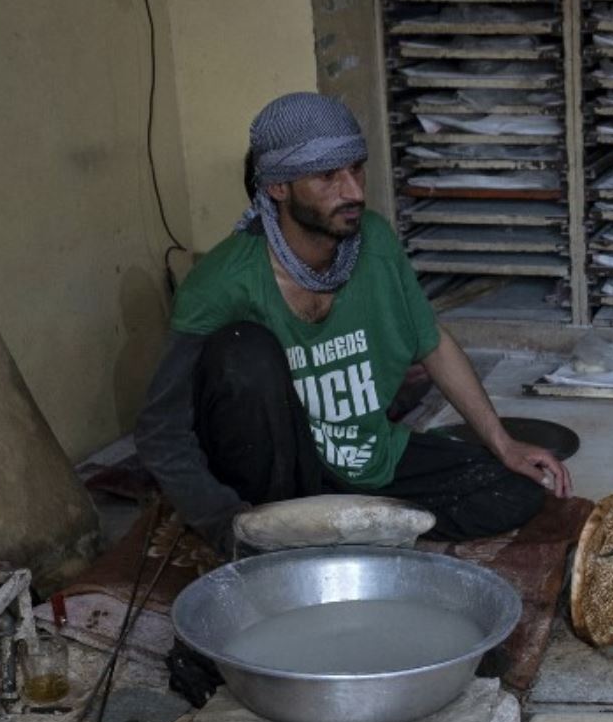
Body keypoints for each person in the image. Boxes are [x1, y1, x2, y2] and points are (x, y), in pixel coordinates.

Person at [135, 92, 570, 554]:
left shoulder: (375, 243)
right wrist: (221, 520)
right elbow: (161, 431)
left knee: (515, 490)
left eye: (356, 169)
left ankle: (343, 524)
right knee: (243, 349)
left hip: (363, 455)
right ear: (278, 187)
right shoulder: (220, 283)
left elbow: (432, 343)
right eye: (328, 176)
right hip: (277, 474)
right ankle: (288, 527)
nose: (355, 192)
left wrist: (503, 443)